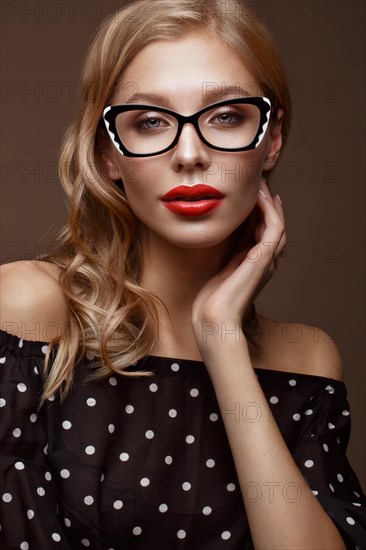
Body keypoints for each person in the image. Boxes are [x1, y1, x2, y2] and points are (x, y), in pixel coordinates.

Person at [0, 0, 365, 548]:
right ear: (108, 154)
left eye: (226, 116)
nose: (190, 154)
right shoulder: (27, 311)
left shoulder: (308, 360)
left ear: (272, 138)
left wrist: (221, 337)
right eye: (149, 122)